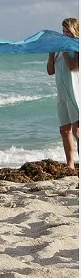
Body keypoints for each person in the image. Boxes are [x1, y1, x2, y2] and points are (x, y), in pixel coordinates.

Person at [47, 18, 79, 170]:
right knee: (64, 129)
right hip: (62, 94)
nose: (65, 34)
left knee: (77, 129)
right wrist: (51, 54)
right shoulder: (59, 49)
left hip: (75, 92)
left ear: (75, 32)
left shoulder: (76, 47)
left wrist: (66, 51)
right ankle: (70, 164)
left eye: (68, 31)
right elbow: (50, 71)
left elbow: (73, 66)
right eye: (63, 31)